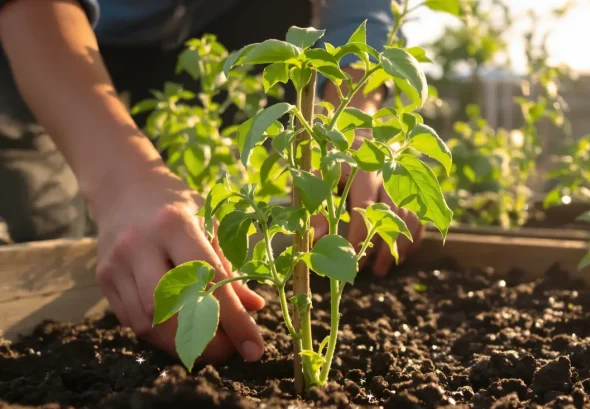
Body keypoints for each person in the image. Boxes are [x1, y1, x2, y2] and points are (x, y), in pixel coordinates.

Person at [0, 0, 423, 365]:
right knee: (47, 222)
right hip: (41, 34)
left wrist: (353, 131)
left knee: (184, 231)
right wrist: (120, 183)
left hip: (211, 24)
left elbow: (357, 13)